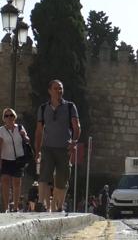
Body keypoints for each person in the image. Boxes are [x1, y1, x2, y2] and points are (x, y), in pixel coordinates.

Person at [35, 79, 81, 212]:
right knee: (44, 175)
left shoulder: (70, 107)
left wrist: (74, 142)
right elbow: (38, 131)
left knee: (62, 179)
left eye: (60, 88)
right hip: (47, 147)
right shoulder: (43, 108)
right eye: (55, 88)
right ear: (49, 91)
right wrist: (37, 150)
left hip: (64, 148)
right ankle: (41, 203)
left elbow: (76, 126)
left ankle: (58, 205)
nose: (59, 91)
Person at [0, 108, 29, 212]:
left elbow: (27, 140)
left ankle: (16, 207)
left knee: (17, 182)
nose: (9, 118)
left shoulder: (20, 127)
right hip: (6, 159)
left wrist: (23, 135)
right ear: (4, 118)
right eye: (7, 116)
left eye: (11, 115)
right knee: (5, 182)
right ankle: (6, 207)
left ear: (14, 117)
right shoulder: (1, 130)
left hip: (18, 159)